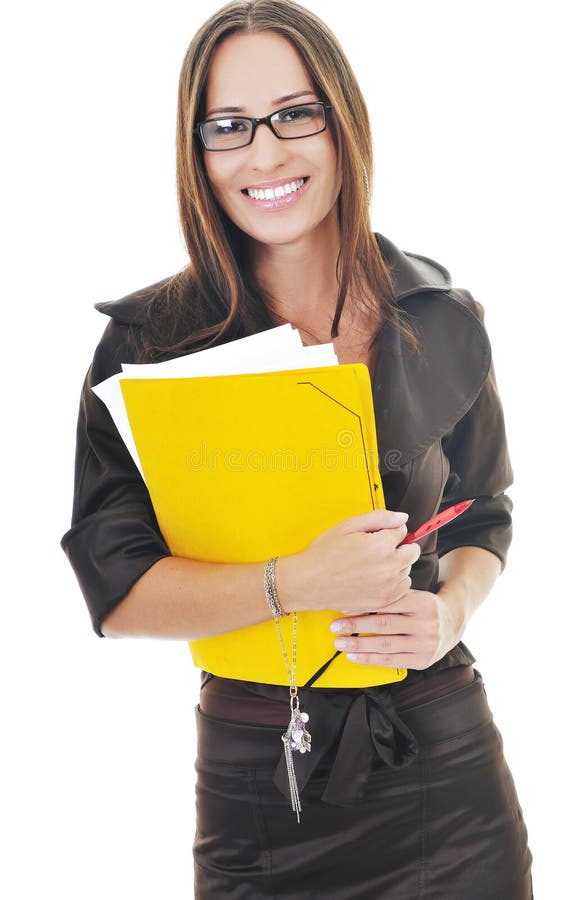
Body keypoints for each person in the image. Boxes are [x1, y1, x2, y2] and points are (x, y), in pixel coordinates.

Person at [61, 1, 533, 897]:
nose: (265, 154)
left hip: (445, 769)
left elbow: (488, 514)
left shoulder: (436, 314)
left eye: (295, 113)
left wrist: (450, 613)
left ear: (342, 122)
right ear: (196, 152)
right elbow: (117, 591)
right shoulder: (150, 343)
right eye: (228, 127)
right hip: (258, 779)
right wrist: (295, 584)